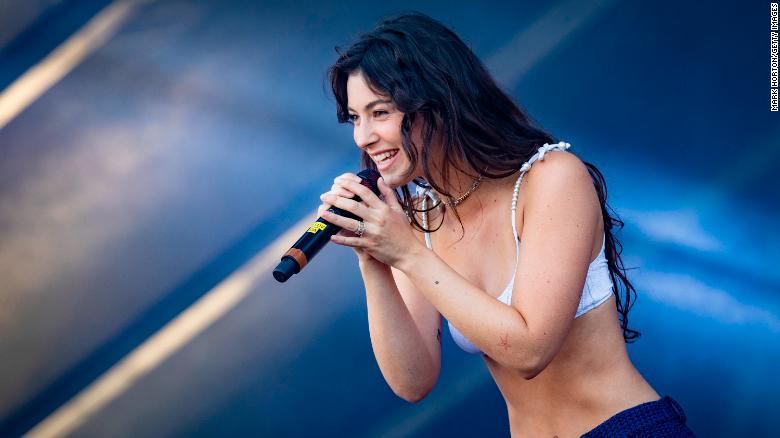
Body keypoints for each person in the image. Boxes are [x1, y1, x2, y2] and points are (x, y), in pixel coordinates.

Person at [317, 12, 694, 437]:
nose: (362, 137)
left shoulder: (552, 178)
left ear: (437, 100)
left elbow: (530, 349)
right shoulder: (421, 217)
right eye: (354, 118)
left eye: (379, 112)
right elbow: (412, 381)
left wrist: (405, 252)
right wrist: (374, 258)